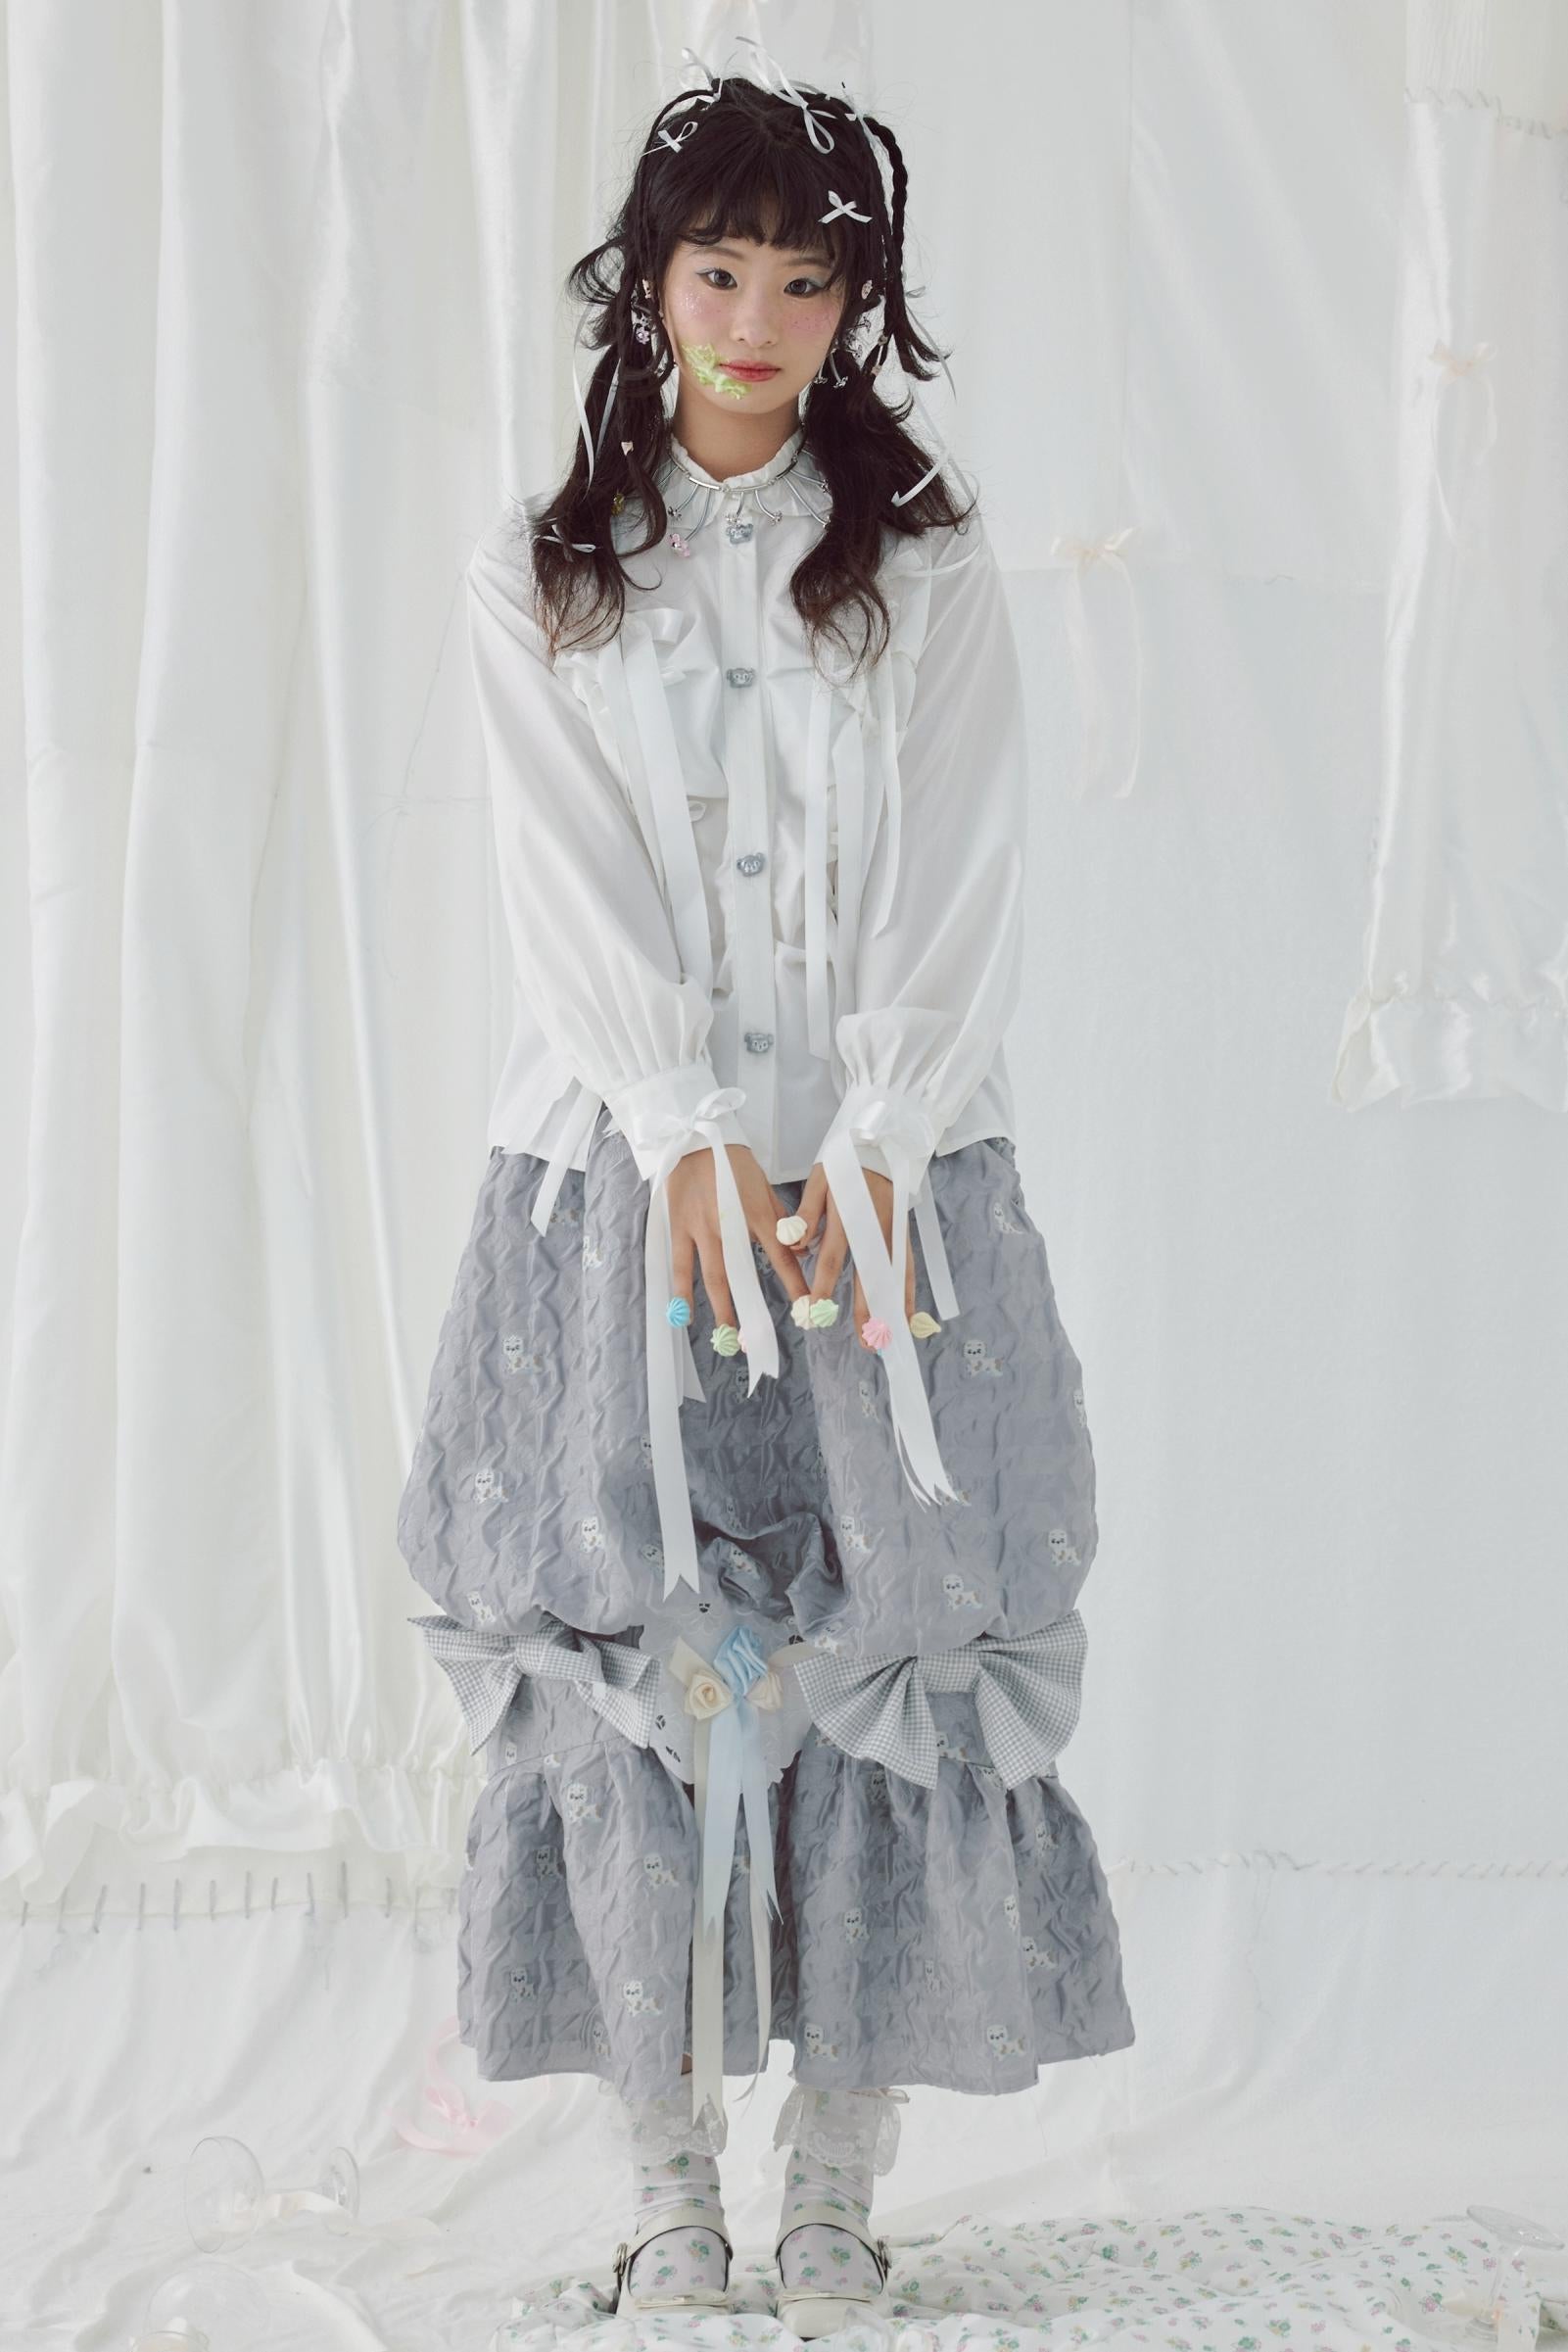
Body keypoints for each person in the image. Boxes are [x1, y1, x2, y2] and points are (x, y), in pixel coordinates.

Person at [397, 52, 1134, 2339]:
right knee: (633, 1657)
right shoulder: (549, 567)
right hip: (613, 1192)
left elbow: (963, 868)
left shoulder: (921, 563)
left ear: (854, 306)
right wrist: (687, 1121)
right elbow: (568, 883)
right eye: (719, 271)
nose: (755, 321)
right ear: (651, 282)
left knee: (893, 1638)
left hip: (885, 1197)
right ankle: (662, 2180)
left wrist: (874, 1139)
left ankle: (837, 2172)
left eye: (804, 283)